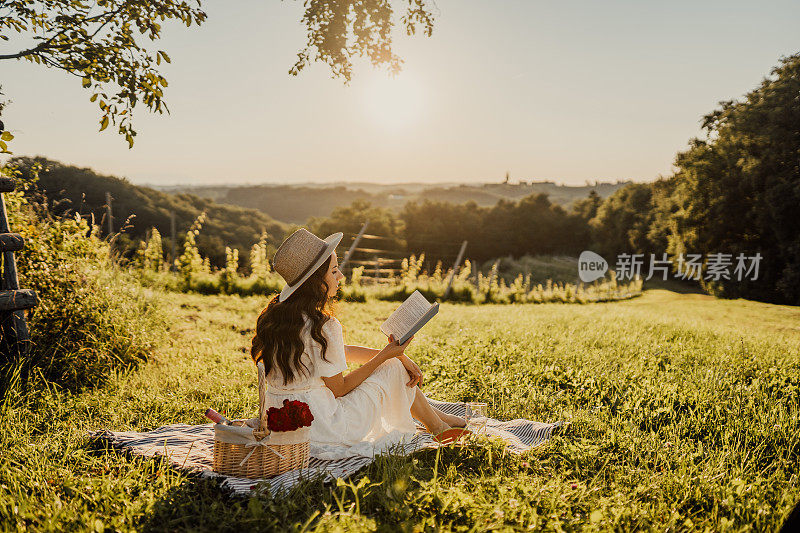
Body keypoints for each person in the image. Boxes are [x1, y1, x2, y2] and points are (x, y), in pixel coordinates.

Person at [250, 228, 469, 459]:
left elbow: (337, 353)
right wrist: (388, 356)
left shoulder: (276, 317)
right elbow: (339, 389)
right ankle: (439, 427)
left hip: (282, 419)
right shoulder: (323, 325)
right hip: (323, 426)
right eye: (334, 271)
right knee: (393, 370)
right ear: (316, 281)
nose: (340, 277)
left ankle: (441, 421)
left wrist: (397, 355)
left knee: (393, 365)